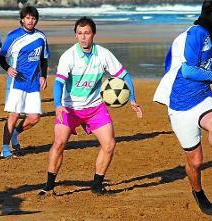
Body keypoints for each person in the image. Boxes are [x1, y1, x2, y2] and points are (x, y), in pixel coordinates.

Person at [153, 0, 212, 219]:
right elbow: (188, 71)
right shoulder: (196, 34)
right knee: (195, 162)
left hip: (202, 97)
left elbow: (205, 73)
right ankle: (199, 193)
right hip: (179, 105)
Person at [39, 17, 143, 196]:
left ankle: (97, 185)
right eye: (79, 33)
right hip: (69, 108)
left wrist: (132, 99)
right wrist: (57, 105)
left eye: (87, 33)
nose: (83, 37)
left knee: (109, 144)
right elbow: (58, 84)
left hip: (95, 107)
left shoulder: (103, 54)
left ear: (93, 34)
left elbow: (125, 76)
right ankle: (49, 186)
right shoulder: (68, 56)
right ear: (76, 35)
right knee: (59, 143)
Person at [0, 6, 49, 158]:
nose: (30, 21)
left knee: (34, 118)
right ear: (22, 19)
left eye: (33, 18)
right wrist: (7, 68)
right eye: (28, 18)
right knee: (14, 115)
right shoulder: (13, 36)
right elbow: (1, 57)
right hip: (17, 82)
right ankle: (5, 149)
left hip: (33, 83)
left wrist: (43, 76)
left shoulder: (41, 37)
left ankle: (15, 133)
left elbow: (43, 59)